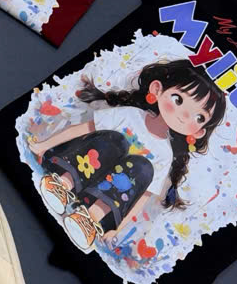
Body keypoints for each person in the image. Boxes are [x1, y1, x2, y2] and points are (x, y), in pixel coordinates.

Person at [29, 60, 226, 252]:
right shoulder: (130, 115)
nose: (184, 116)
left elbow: (142, 197)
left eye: (199, 117)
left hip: (100, 202)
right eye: (178, 100)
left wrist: (118, 229)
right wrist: (43, 146)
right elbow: (83, 129)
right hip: (74, 168)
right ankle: (62, 184)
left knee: (143, 168)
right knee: (116, 141)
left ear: (199, 131)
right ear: (157, 89)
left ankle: (89, 218)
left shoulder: (165, 155)